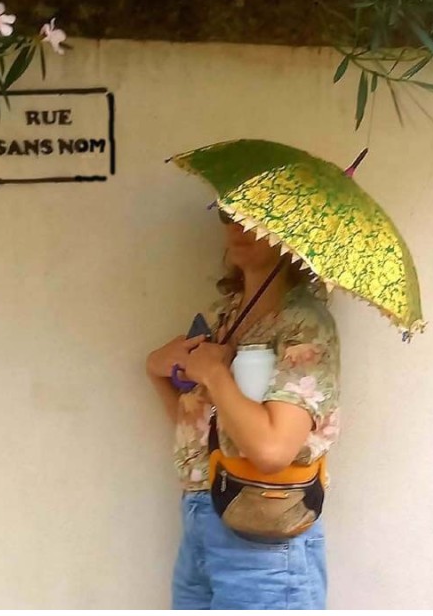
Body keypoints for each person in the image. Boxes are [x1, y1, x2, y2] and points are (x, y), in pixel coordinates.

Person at [146, 208, 341, 610]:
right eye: (230, 213)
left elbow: (272, 450)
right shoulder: (225, 318)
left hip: (264, 537)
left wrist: (215, 375)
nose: (240, 226)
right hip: (202, 518)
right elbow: (203, 432)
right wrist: (157, 368)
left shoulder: (303, 324)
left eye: (260, 218)